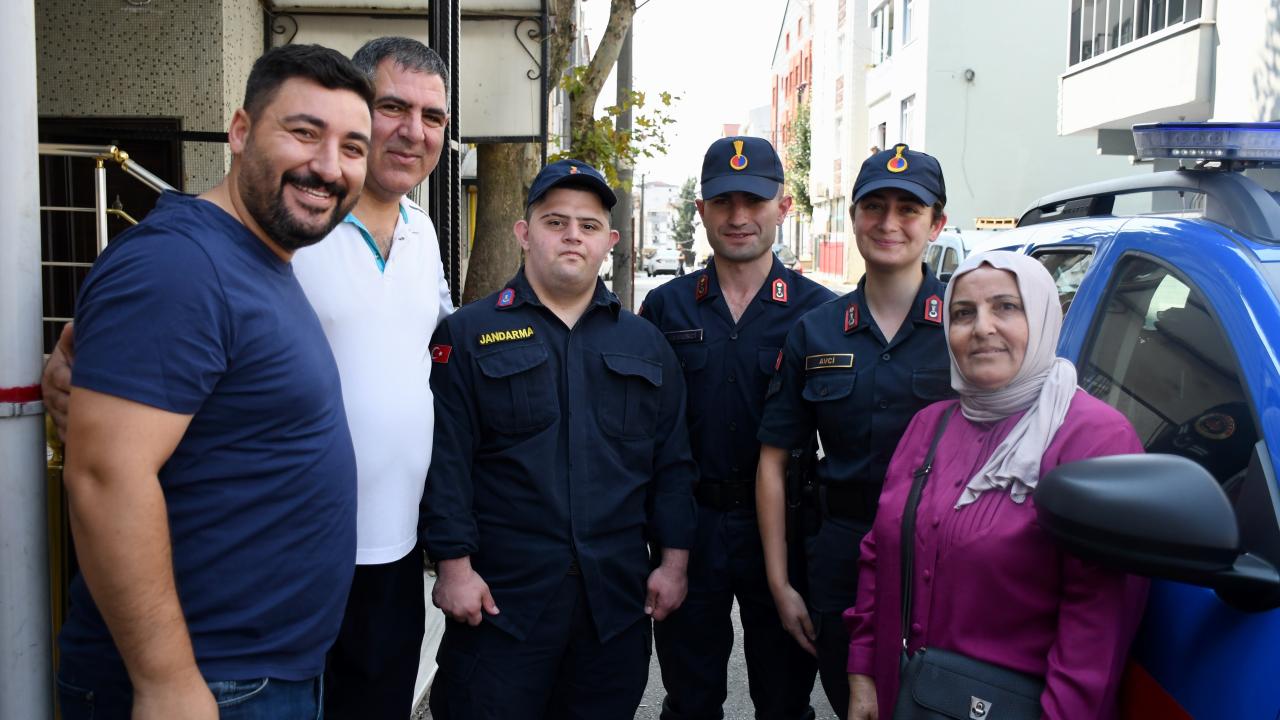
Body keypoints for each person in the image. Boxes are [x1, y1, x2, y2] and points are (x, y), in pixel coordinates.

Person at [42, 37, 455, 719]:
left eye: (348, 146)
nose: (328, 166)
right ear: (240, 130)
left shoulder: (296, 250)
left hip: (328, 604)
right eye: (304, 133)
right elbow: (107, 472)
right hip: (217, 663)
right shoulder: (198, 256)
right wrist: (164, 677)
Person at [423, 159, 698, 720]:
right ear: (524, 233)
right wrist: (452, 566)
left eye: (589, 225)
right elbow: (446, 460)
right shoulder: (468, 334)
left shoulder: (646, 344)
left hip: (612, 607)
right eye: (555, 221)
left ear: (610, 242)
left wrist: (674, 563)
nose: (573, 234)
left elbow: (671, 464)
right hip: (500, 605)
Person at [844, 251, 1150, 719]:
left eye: (1006, 307)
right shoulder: (930, 426)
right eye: (963, 313)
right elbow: (877, 555)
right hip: (904, 699)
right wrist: (864, 673)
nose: (982, 327)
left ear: (1045, 317)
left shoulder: (1096, 441)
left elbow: (1096, 628)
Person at [756, 144, 955, 718]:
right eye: (874, 206)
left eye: (908, 209)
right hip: (840, 553)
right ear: (854, 217)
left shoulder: (968, 322)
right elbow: (773, 460)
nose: (889, 223)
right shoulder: (816, 331)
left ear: (936, 223)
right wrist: (780, 583)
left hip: (942, 552)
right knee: (855, 703)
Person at [641, 136, 833, 720]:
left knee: (785, 695)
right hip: (690, 527)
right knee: (690, 696)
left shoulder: (819, 313)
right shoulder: (665, 309)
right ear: (701, 210)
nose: (739, 216)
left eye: (755, 200)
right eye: (723, 202)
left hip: (785, 530)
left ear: (783, 206)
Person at [294, 37, 453, 720]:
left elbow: (440, 354)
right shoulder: (294, 221)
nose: (413, 132)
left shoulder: (424, 231)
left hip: (396, 553)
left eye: (433, 116)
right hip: (295, 556)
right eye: (393, 107)